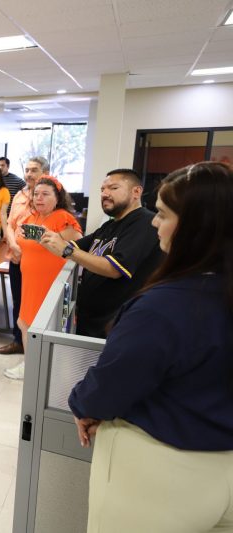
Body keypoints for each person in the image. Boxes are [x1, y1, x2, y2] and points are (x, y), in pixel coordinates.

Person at [69, 161, 233, 533]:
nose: (155, 223)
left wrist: (84, 405)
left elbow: (112, 383)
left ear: (195, 226)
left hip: (161, 473)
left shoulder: (164, 307)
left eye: (162, 214)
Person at [40, 169, 164, 337]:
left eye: (113, 188)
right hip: (91, 320)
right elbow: (72, 247)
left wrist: (67, 250)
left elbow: (114, 269)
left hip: (115, 325)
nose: (105, 194)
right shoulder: (109, 225)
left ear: (136, 192)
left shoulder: (144, 223)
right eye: (102, 189)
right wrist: (43, 237)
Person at [4, 176, 82, 380]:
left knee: (46, 326)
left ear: (57, 197)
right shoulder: (32, 217)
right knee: (25, 323)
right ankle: (31, 365)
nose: (39, 198)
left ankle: (43, 371)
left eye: (45, 194)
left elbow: (78, 246)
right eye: (36, 194)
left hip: (51, 282)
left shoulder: (63, 218)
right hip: (30, 281)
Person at [0, 156, 47, 356]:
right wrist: (13, 244)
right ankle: (18, 340)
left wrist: (25, 249)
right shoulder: (19, 194)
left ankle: (36, 347)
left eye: (34, 170)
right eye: (27, 170)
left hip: (37, 261)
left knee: (36, 302)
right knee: (18, 300)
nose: (29, 174)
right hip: (16, 258)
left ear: (45, 173)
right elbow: (10, 224)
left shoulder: (49, 196)